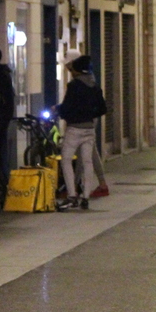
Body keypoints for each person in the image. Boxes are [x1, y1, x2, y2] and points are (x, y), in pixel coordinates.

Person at [56, 54, 107, 211]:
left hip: (75, 129)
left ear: (77, 70)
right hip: (89, 129)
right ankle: (85, 197)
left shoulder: (74, 86)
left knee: (66, 159)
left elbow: (67, 107)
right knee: (87, 162)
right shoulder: (94, 86)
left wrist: (59, 111)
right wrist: (89, 114)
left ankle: (72, 195)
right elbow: (102, 108)